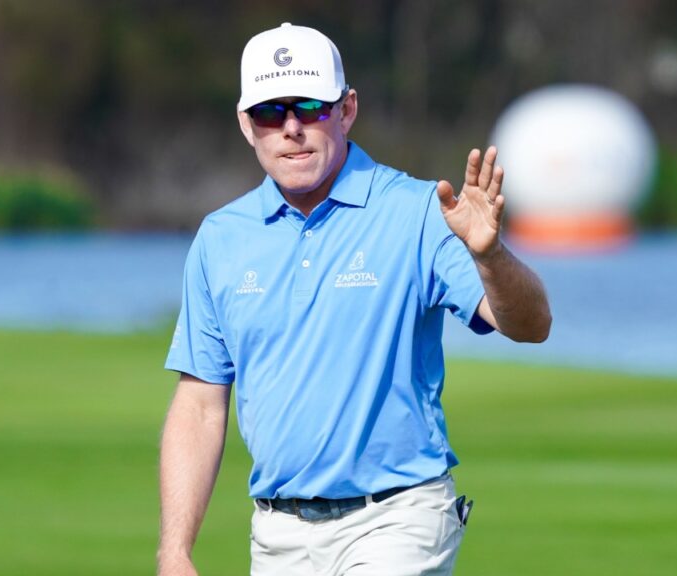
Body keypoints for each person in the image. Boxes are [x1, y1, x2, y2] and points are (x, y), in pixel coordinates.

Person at [158, 22, 551, 576]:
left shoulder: (420, 211)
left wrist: (490, 256)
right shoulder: (221, 238)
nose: (291, 128)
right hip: (276, 535)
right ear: (248, 126)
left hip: (398, 518)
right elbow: (199, 405)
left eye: (310, 108)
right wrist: (175, 550)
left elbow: (531, 324)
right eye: (271, 112)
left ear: (346, 110)